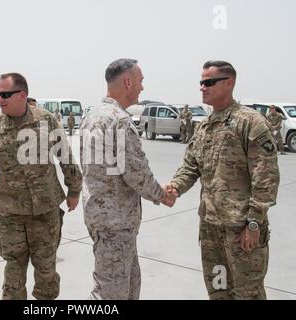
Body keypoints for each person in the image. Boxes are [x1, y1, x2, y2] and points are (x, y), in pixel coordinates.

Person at [0, 73, 82, 300]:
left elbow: (66, 156)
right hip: (12, 214)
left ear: (22, 95)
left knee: (46, 271)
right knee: (13, 272)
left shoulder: (46, 120)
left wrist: (74, 189)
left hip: (45, 212)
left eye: (5, 94)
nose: (0, 99)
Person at [167, 61, 280, 299]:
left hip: (241, 229)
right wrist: (175, 186)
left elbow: (266, 177)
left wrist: (254, 223)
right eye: (201, 82)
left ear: (229, 83)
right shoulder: (204, 126)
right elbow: (191, 166)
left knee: (248, 293)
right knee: (218, 290)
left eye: (209, 82)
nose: (202, 87)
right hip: (210, 229)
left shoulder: (250, 122)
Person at [80, 58, 176, 300]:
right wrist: (162, 195)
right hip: (115, 223)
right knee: (110, 296)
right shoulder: (118, 120)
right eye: (141, 81)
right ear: (128, 81)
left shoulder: (92, 116)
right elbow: (136, 173)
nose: (143, 87)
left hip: (106, 219)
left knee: (129, 289)